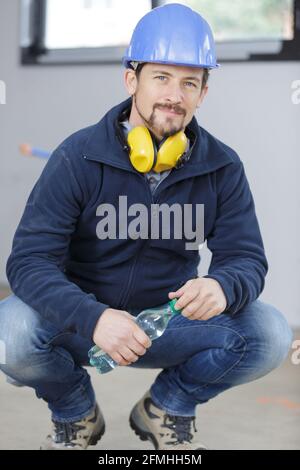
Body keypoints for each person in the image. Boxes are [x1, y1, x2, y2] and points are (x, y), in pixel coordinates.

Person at [0, 3, 292, 450]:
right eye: (161, 77)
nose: (175, 95)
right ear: (130, 79)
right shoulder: (76, 157)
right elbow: (28, 262)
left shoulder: (223, 167)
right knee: (11, 332)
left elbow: (246, 259)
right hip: (83, 324)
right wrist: (92, 317)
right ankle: (75, 413)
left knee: (270, 333)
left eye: (189, 82)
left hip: (169, 324)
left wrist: (223, 285)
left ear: (203, 93)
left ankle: (167, 405)